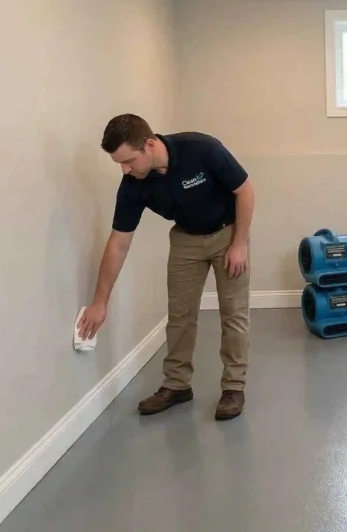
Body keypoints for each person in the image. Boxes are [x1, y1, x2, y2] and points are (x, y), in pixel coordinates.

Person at [77, 114, 255, 421]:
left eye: (129, 161)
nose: (125, 170)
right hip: (186, 239)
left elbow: (245, 191)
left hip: (228, 233)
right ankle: (177, 385)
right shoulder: (134, 184)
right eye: (119, 164)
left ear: (149, 144)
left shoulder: (201, 149)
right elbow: (118, 243)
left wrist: (239, 244)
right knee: (180, 316)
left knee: (233, 314)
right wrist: (99, 301)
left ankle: (233, 387)